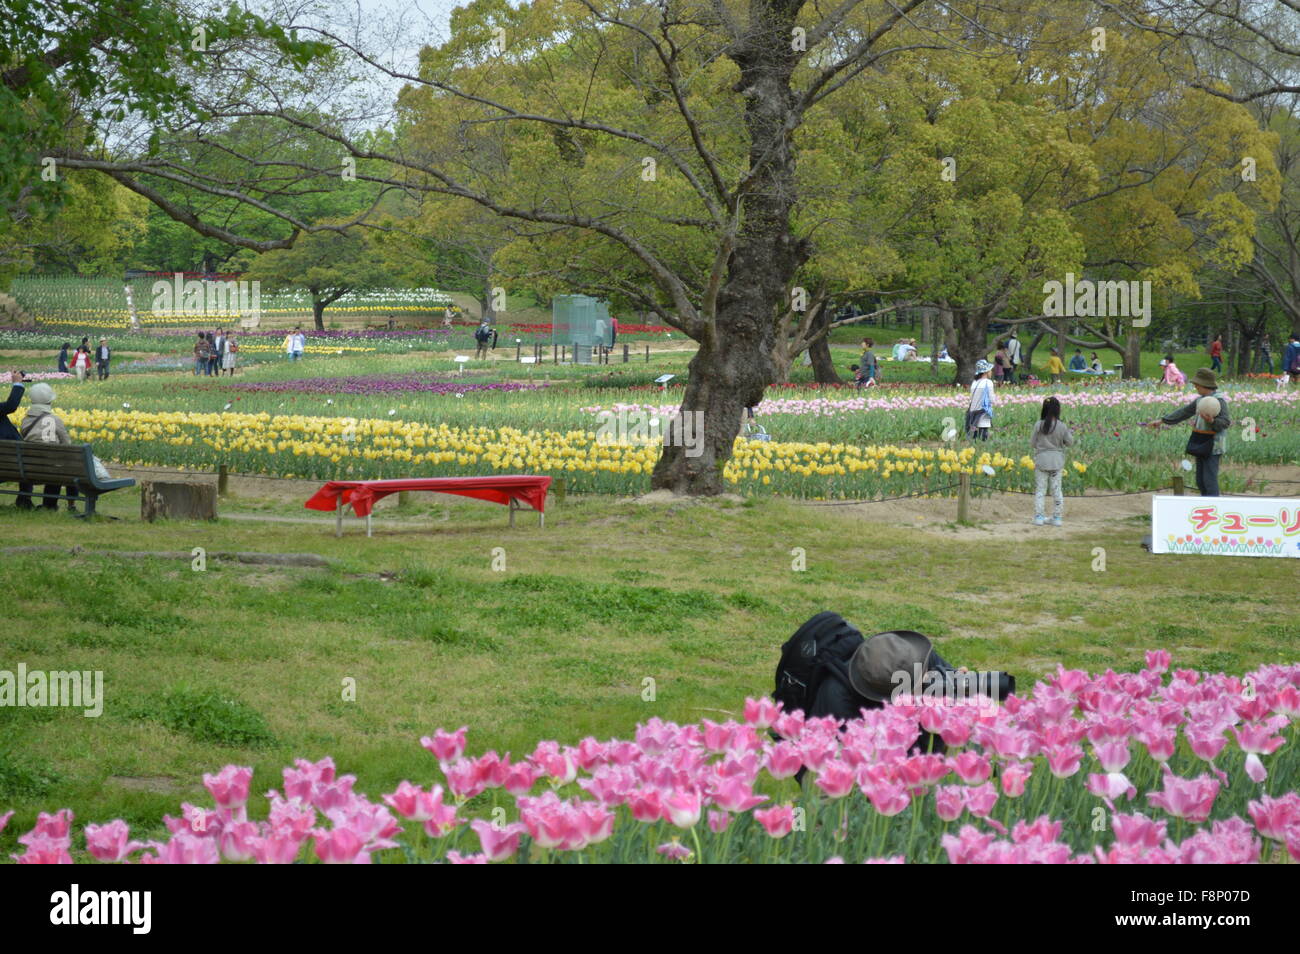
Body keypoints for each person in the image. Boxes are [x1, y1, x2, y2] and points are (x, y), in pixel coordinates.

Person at [774, 613, 1015, 770]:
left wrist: (959, 691)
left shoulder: (913, 658)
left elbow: (966, 699)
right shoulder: (835, 698)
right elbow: (835, 767)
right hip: (853, 760)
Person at [1146, 368, 1230, 496]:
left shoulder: (1218, 401)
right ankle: (1204, 506)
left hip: (1213, 446)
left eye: (1197, 385)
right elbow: (1184, 412)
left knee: (1209, 480)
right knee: (1200, 480)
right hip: (1201, 443)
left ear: (1205, 385)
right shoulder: (1200, 400)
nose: (1195, 387)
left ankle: (1213, 507)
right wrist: (1162, 421)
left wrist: (1212, 421)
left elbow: (1225, 422)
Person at [19, 382, 78, 512]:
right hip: (51, 470)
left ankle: (23, 500)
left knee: (29, 460)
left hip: (27, 469)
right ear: (49, 402)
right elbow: (67, 444)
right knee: (58, 467)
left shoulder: (25, 420)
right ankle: (50, 505)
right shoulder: (55, 420)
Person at [1030, 396, 1074, 527]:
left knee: (1040, 490)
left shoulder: (1039, 425)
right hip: (1056, 462)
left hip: (1042, 460)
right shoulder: (1062, 426)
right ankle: (1057, 517)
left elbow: (1032, 443)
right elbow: (1070, 442)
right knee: (1056, 490)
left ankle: (1039, 516)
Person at [966, 359, 995, 440]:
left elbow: (971, 397)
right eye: (990, 370)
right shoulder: (988, 382)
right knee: (983, 434)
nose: (991, 372)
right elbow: (992, 399)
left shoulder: (974, 383)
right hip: (983, 411)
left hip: (973, 411)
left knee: (974, 434)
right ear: (986, 372)